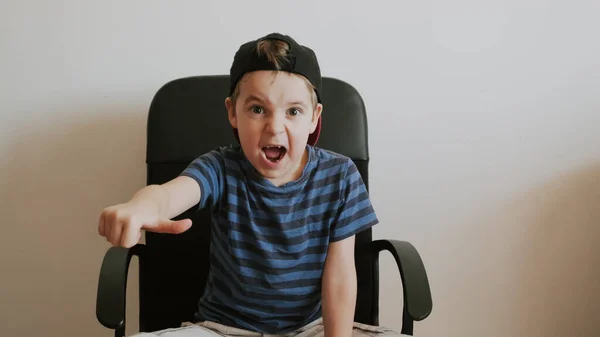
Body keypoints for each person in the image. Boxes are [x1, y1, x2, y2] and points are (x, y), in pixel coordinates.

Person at [98, 32, 403, 337]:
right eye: (258, 109)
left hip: (311, 330)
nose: (275, 127)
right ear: (233, 112)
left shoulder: (340, 175)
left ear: (314, 118)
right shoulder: (219, 168)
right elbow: (168, 195)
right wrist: (141, 207)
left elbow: (339, 277)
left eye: (293, 111)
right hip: (222, 330)